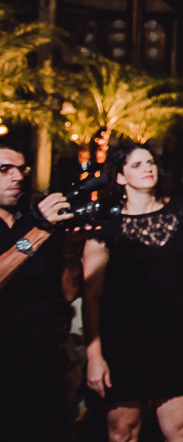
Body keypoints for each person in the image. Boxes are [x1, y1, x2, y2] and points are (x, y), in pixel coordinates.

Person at [83, 144, 183, 442]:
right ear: (121, 176)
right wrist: (94, 354)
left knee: (181, 430)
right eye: (136, 165)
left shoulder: (179, 211)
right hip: (122, 340)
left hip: (172, 334)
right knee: (123, 432)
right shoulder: (106, 224)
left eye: (149, 162)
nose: (147, 168)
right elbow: (91, 295)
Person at [0, 141, 74, 442]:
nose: (17, 177)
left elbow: (69, 292)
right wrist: (39, 234)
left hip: (45, 362)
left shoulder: (31, 219)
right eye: (5, 170)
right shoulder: (37, 228)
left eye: (21, 169)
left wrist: (70, 246)